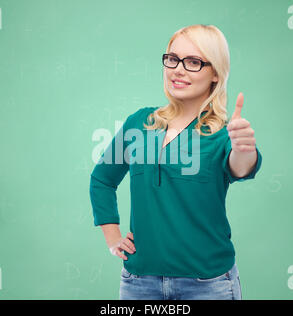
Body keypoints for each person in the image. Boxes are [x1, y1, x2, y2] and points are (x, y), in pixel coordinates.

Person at [89, 24, 262, 300]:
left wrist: (244, 147)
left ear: (215, 72)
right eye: (173, 58)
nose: (178, 69)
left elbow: (240, 166)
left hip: (208, 284)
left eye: (193, 62)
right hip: (139, 283)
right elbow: (102, 179)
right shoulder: (140, 123)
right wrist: (113, 238)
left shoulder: (221, 133)